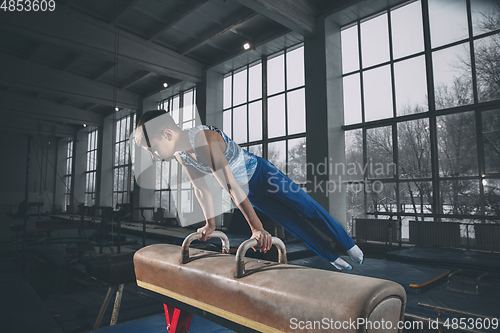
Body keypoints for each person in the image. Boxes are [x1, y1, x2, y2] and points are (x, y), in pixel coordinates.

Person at [133, 110, 363, 270]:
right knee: (292, 222)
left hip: (264, 175)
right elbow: (200, 189)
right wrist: (210, 223)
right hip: (250, 192)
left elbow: (230, 184)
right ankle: (331, 257)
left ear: (167, 134)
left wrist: (257, 228)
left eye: (151, 148)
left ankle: (348, 244)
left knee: (306, 208)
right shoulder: (181, 155)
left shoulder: (203, 140)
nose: (153, 155)